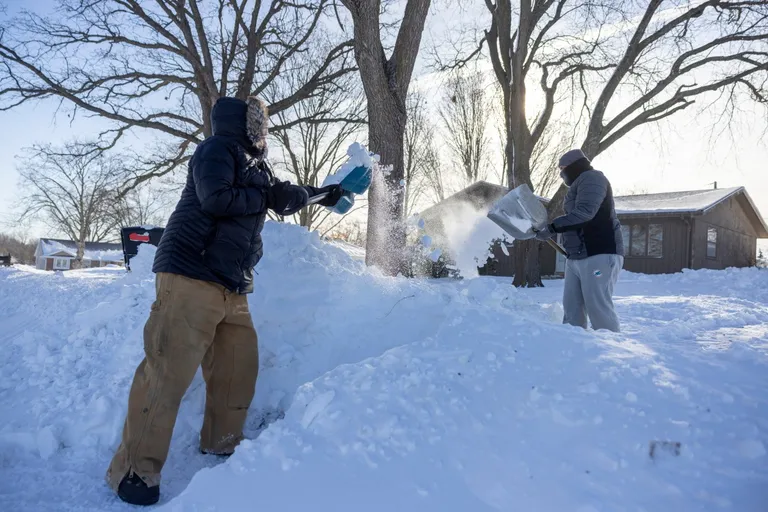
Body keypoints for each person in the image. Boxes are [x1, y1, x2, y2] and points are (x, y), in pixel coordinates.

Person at [106, 96, 344, 506]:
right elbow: (216, 198)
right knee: (167, 373)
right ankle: (133, 472)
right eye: (257, 122)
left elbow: (281, 197)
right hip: (189, 274)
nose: (262, 130)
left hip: (231, 284)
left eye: (263, 124)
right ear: (242, 123)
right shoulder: (215, 149)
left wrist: (323, 194)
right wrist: (267, 197)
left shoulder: (256, 166)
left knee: (238, 365)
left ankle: (223, 442)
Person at [534, 149, 624, 333]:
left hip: (598, 252)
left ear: (574, 165)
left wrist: (552, 228)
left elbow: (584, 213)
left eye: (563, 168)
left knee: (598, 307)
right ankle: (574, 348)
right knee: (572, 308)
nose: (561, 173)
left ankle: (611, 351)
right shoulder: (579, 184)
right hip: (577, 255)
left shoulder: (593, 179)